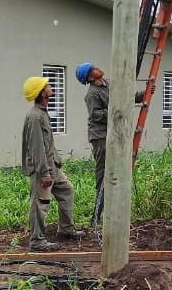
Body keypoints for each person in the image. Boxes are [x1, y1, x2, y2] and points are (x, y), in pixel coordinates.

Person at [75, 62, 144, 227]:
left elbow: (125, 97)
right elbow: (96, 115)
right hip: (100, 137)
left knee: (117, 172)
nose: (98, 67)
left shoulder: (109, 83)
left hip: (113, 134)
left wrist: (143, 94)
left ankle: (112, 214)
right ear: (90, 77)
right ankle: (95, 217)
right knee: (103, 173)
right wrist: (116, 111)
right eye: (93, 68)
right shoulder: (92, 94)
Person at [21, 76, 84, 251]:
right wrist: (44, 173)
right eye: (46, 85)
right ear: (42, 93)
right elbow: (36, 148)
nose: (50, 86)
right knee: (40, 203)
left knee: (66, 190)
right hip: (43, 169)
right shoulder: (35, 117)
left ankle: (65, 229)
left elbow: (47, 143)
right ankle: (37, 241)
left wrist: (54, 164)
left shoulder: (42, 112)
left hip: (52, 165)